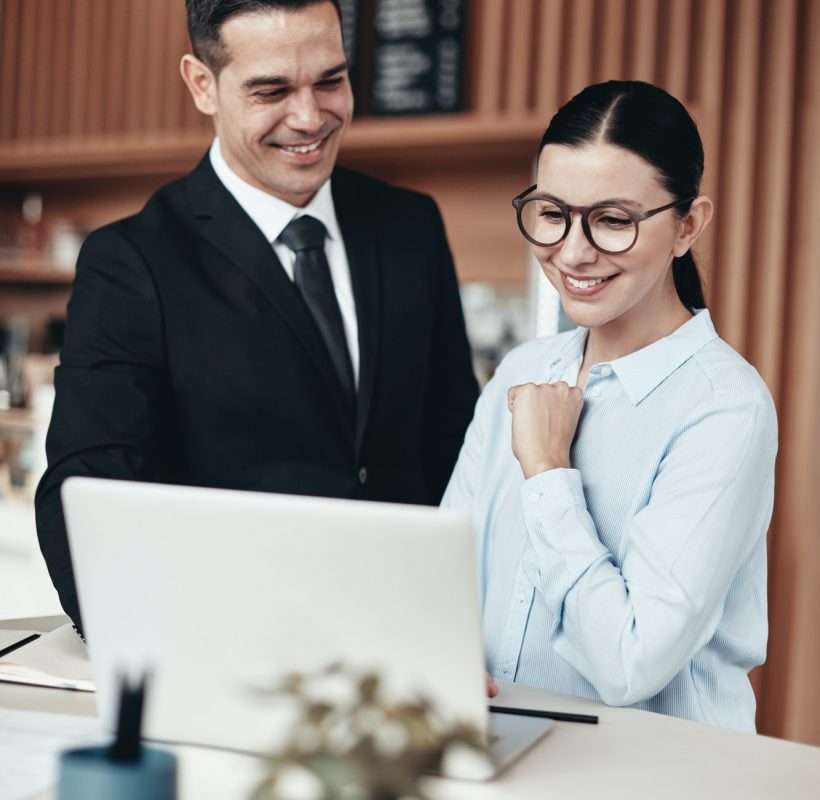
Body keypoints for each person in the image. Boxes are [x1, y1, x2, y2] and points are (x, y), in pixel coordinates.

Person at [36, 0, 478, 635]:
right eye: (271, 90)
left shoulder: (410, 226)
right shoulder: (132, 261)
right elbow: (86, 495)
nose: (310, 117)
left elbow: (457, 446)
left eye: (331, 80)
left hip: (410, 636)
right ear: (201, 85)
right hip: (232, 645)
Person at [442, 80, 777, 731]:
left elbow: (629, 662)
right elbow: (441, 571)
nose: (572, 251)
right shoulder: (522, 371)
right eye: (551, 213)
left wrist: (546, 471)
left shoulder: (725, 409)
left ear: (688, 225)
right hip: (497, 757)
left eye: (613, 220)